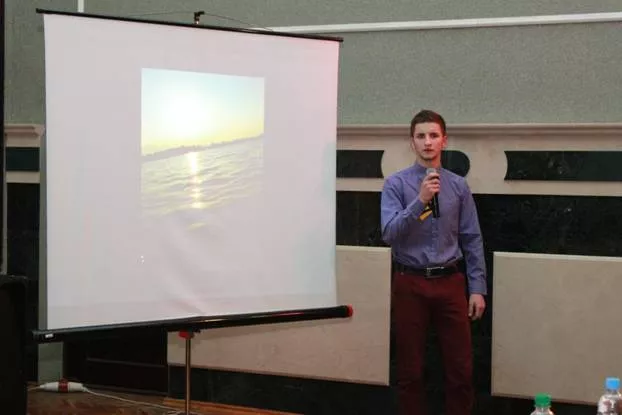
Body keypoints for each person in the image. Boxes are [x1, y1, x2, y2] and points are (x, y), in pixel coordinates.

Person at [380, 109, 487, 415]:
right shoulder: (396, 185)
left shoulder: (458, 186)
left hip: (450, 283)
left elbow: (472, 238)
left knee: (460, 369)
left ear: (444, 141)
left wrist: (477, 288)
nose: (427, 142)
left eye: (433, 135)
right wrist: (421, 200)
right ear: (411, 142)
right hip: (409, 282)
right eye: (421, 136)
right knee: (410, 370)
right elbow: (389, 233)